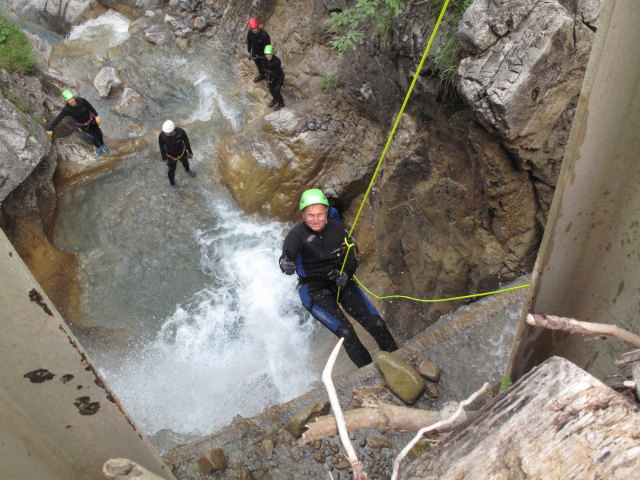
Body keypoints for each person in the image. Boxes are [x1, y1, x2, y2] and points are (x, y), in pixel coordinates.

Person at [280, 189, 398, 367]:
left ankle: (398, 361)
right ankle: (368, 373)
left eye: (320, 214)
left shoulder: (338, 229)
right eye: (310, 215)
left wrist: (346, 273)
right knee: (347, 333)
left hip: (340, 281)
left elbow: (351, 256)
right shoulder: (295, 236)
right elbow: (285, 260)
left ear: (327, 212)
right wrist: (285, 265)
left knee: (377, 324)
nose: (316, 219)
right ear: (303, 214)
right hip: (314, 291)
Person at [46, 90, 109, 156]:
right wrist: (51, 129)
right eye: (69, 99)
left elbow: (90, 107)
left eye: (72, 98)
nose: (72, 100)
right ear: (66, 101)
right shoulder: (67, 110)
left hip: (91, 120)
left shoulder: (81, 100)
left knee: (98, 132)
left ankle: (102, 143)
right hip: (83, 125)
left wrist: (97, 116)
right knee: (93, 136)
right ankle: (97, 146)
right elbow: (58, 119)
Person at [158, 120, 196, 190]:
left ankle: (187, 171)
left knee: (185, 163)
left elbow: (186, 141)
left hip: (181, 152)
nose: (165, 133)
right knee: (171, 170)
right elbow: (161, 147)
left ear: (172, 131)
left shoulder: (180, 132)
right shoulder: (162, 136)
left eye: (167, 132)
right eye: (164, 132)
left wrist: (190, 152)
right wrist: (164, 158)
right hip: (170, 155)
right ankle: (172, 185)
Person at [246, 18, 271, 83]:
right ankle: (262, 75)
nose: (254, 30)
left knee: (265, 65)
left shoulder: (264, 35)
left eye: (255, 28)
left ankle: (269, 76)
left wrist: (267, 55)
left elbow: (268, 45)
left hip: (263, 53)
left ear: (258, 27)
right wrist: (249, 52)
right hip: (255, 52)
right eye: (253, 29)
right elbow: (249, 42)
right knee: (258, 65)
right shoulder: (250, 33)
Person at [263, 45, 285, 111]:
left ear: (272, 54)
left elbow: (276, 72)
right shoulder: (264, 58)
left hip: (278, 77)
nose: (268, 56)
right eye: (267, 54)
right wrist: (269, 74)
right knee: (271, 89)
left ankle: (281, 103)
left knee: (276, 91)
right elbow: (263, 68)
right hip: (271, 77)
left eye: (269, 54)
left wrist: (269, 72)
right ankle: (275, 99)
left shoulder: (277, 61)